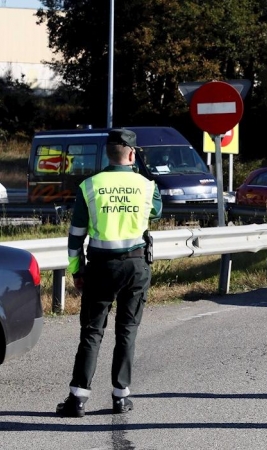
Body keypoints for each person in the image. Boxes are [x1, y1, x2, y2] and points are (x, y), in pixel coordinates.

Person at [57, 129, 162, 417]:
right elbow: (155, 212)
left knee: (92, 332)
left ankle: (77, 398)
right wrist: (137, 173)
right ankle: (120, 396)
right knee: (127, 331)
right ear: (132, 154)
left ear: (107, 153)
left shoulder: (90, 186)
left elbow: (76, 235)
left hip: (101, 267)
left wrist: (76, 270)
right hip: (136, 265)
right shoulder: (146, 185)